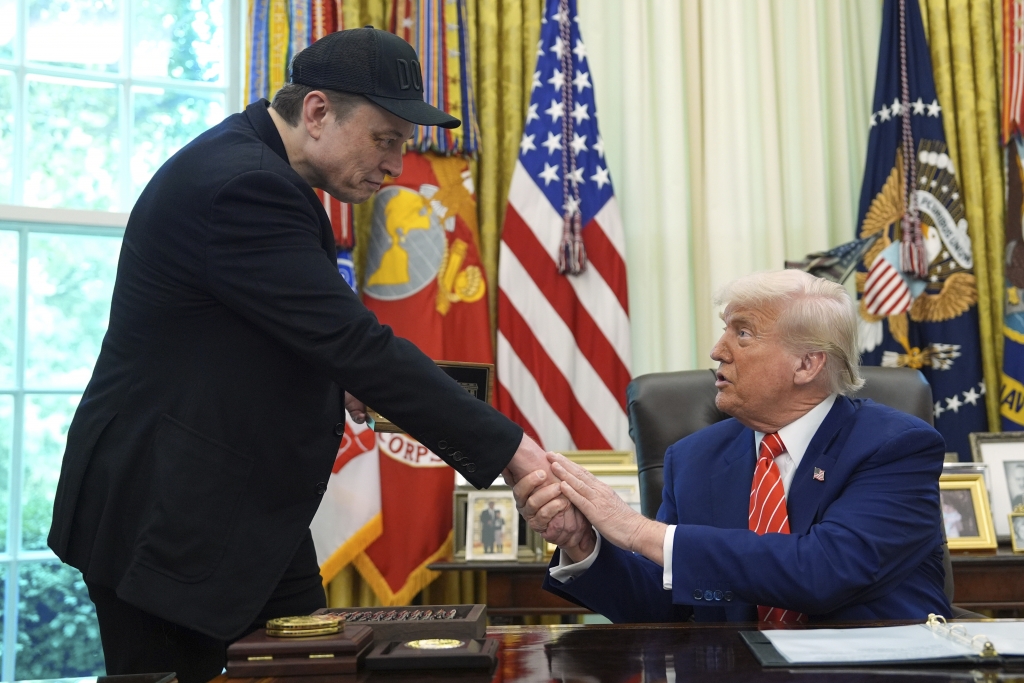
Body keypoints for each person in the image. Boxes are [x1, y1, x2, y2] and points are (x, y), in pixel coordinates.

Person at [46, 27, 586, 683]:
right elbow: (356, 345)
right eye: (385, 139)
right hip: (169, 514)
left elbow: (265, 334)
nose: (396, 166)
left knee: (317, 667)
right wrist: (516, 455)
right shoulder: (246, 185)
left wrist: (337, 378)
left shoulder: (257, 168)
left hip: (238, 508)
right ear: (318, 111)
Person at [514, 269, 951, 623]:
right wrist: (583, 544)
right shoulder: (693, 458)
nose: (717, 351)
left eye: (743, 333)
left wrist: (638, 531)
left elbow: (825, 570)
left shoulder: (897, 447)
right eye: (725, 330)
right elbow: (661, 605)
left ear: (806, 364)